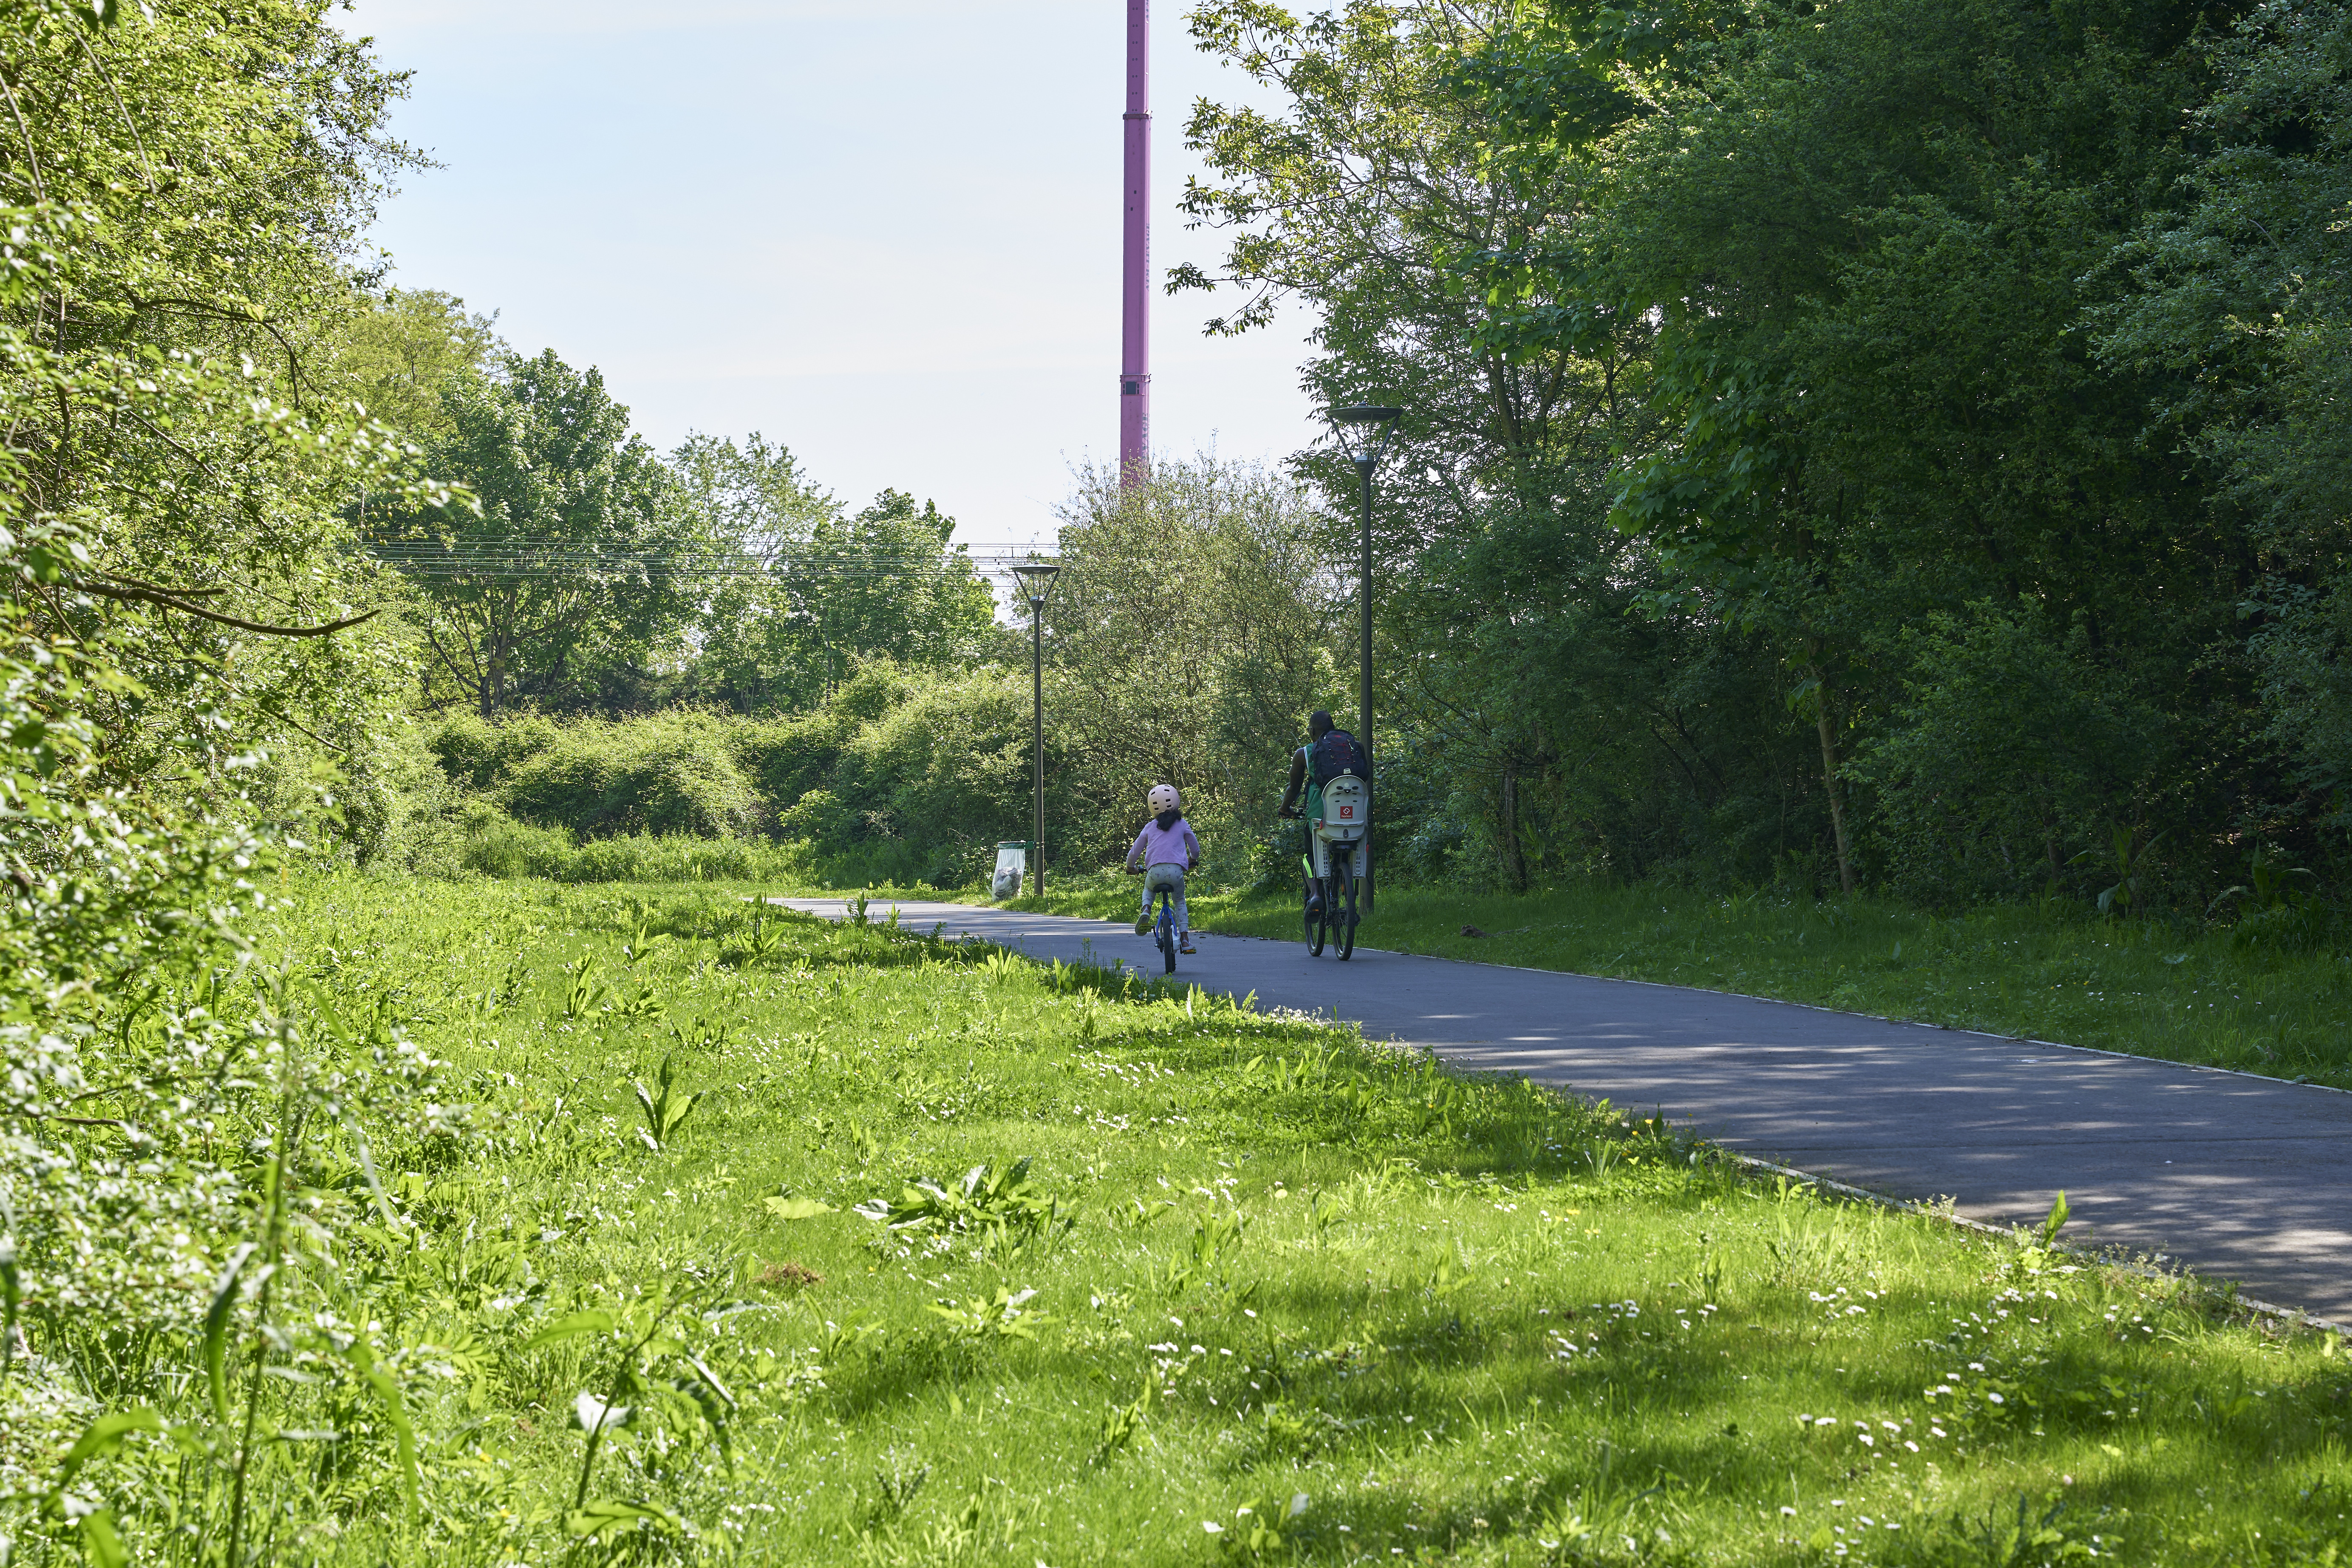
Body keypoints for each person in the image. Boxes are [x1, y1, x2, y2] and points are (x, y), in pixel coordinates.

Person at [1279, 710, 1364, 913]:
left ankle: (1316, 894)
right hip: (1357, 816)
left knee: (1309, 856)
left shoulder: (1305, 753)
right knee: (1356, 845)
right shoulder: (1355, 748)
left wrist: (1285, 809)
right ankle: (1347, 887)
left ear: (1311, 731)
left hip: (1322, 817)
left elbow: (1294, 788)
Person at [1126, 782, 1200, 954]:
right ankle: (1185, 940)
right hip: (1176, 873)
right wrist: (1192, 859)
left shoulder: (1150, 827)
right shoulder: (1182, 824)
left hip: (1155, 872)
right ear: (1176, 801)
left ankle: (1146, 909)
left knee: (1149, 888)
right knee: (1180, 901)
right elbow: (1195, 847)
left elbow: (1135, 851)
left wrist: (1131, 867)